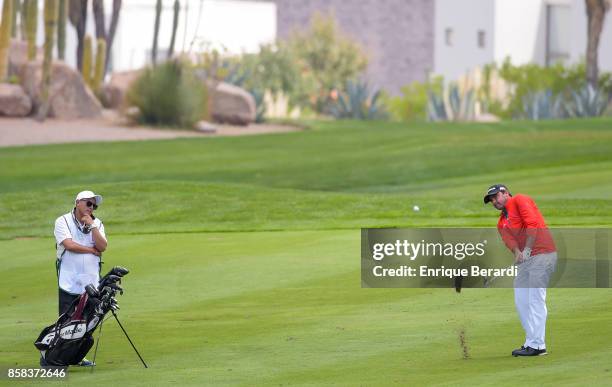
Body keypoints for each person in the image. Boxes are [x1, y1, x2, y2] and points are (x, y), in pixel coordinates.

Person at [484, 184, 557, 357]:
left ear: (505, 193)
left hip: (543, 254)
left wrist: (528, 249)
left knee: (535, 299)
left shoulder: (519, 200)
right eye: (491, 200)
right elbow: (510, 242)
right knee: (521, 301)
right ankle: (531, 341)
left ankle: (539, 346)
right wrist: (518, 253)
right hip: (527, 261)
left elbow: (533, 223)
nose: (494, 201)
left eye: (496, 196)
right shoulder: (501, 223)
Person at [53, 190, 108, 367]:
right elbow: (68, 245)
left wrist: (91, 226)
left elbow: (103, 246)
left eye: (94, 205)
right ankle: (59, 357)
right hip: (69, 278)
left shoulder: (97, 223)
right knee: (66, 321)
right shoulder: (62, 221)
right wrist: (91, 250)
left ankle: (77, 357)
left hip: (91, 280)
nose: (91, 208)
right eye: (88, 203)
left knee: (88, 321)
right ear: (78, 202)